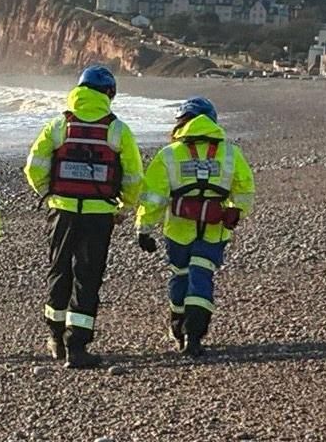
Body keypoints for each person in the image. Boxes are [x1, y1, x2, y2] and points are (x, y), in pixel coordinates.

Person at [24, 66, 143, 368]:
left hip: (62, 212)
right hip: (99, 214)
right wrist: (124, 208)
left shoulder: (58, 125)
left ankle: (54, 337)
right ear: (109, 93)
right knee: (87, 278)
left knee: (59, 270)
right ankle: (76, 346)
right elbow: (133, 177)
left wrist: (48, 194)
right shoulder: (117, 130)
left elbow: (34, 165)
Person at [135, 96, 255, 357]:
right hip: (214, 230)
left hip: (178, 230)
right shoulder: (231, 153)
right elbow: (244, 189)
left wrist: (144, 229)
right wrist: (237, 211)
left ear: (181, 123)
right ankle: (195, 337)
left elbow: (154, 197)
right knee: (202, 276)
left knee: (180, 276)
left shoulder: (169, 154)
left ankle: (178, 328)